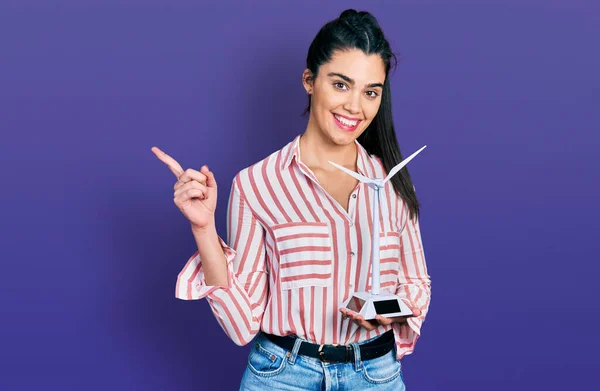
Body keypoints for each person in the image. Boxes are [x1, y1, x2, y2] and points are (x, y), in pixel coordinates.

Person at [152, 8, 431, 390]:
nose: (355, 107)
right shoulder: (256, 184)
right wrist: (203, 229)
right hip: (282, 376)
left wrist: (390, 312)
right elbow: (240, 326)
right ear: (309, 80)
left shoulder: (391, 182)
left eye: (371, 92)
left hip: (374, 375)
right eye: (340, 84)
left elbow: (416, 284)